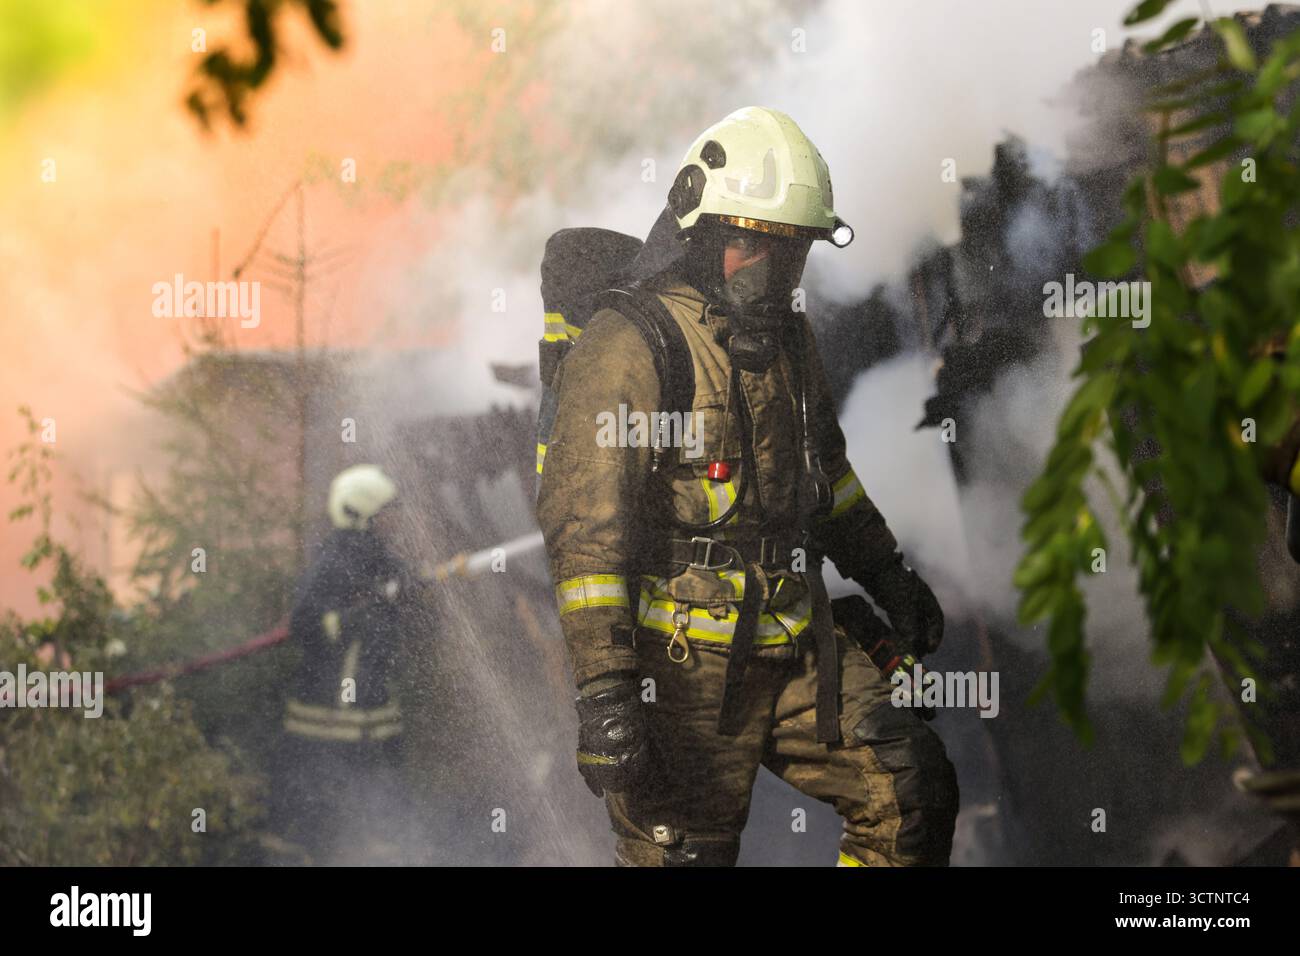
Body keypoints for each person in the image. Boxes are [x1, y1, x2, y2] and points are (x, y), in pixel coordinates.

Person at [536, 106, 959, 866]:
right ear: (700, 231)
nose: (771, 275)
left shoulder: (791, 338)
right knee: (687, 855)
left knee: (909, 790)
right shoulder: (631, 343)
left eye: (789, 254)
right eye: (749, 249)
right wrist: (605, 691)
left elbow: (827, 478)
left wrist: (889, 576)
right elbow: (586, 535)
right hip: (680, 670)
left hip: (795, 640)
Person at [270, 464, 411, 864]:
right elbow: (303, 622)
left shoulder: (376, 556)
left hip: (369, 706)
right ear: (361, 513)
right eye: (387, 511)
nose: (395, 519)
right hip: (331, 710)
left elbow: (399, 586)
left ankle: (384, 852)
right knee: (322, 795)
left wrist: (405, 589)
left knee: (379, 791)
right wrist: (352, 619)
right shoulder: (336, 560)